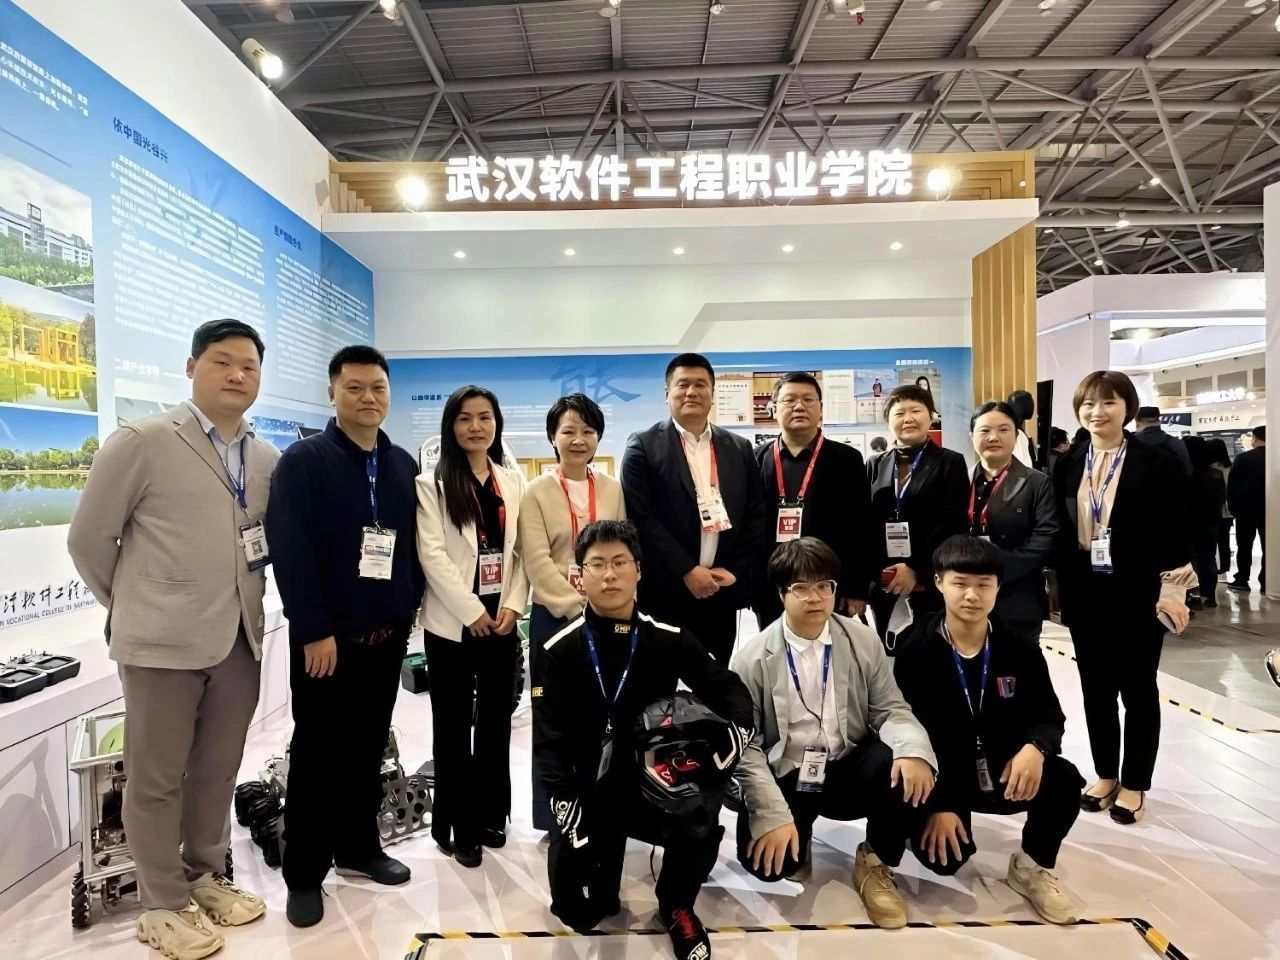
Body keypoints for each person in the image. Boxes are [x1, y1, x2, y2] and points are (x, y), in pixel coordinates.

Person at [67, 319, 277, 960]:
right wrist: (136, 605)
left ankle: (203, 874)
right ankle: (161, 904)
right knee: (155, 777)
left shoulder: (265, 458)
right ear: (191, 367)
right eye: (222, 361)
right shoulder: (144, 441)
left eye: (248, 366)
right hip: (159, 645)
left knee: (217, 769)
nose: (237, 374)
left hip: (238, 638)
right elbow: (89, 540)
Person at [533, 520, 757, 960]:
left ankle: (677, 905)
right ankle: (593, 867)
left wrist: (736, 736)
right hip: (588, 791)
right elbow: (548, 743)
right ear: (580, 576)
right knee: (582, 912)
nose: (609, 575)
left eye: (620, 562)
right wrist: (566, 810)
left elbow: (728, 688)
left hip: (652, 783)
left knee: (702, 805)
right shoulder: (557, 650)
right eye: (597, 564)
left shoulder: (667, 637)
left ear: (639, 570)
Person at [265, 346, 425, 927]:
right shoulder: (304, 461)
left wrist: (407, 610)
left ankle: (359, 848)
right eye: (354, 387)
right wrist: (313, 630)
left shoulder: (401, 463)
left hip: (386, 637)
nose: (367, 398)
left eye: (377, 387)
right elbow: (291, 550)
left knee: (368, 746)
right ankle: (304, 873)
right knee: (317, 753)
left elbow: (412, 545)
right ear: (332, 392)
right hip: (326, 642)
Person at [731, 538, 937, 930]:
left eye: (824, 586)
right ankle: (799, 829)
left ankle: (876, 860)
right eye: (801, 588)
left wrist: (913, 750)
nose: (815, 598)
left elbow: (891, 708)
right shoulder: (752, 658)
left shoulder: (861, 640)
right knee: (767, 867)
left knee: (901, 764)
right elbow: (747, 745)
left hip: (847, 763)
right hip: (790, 771)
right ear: (781, 593)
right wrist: (772, 813)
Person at [893, 535, 1084, 924]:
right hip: (942, 774)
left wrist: (1035, 748)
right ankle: (922, 824)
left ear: (998, 587)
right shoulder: (917, 649)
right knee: (944, 861)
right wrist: (941, 803)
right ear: (939, 582)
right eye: (960, 583)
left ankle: (1030, 867)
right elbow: (904, 725)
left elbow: (1050, 715)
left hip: (1001, 769)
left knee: (1064, 780)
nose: (972, 595)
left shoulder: (1018, 647)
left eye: (984, 584)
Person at [1052, 371, 1193, 825]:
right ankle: (1106, 774)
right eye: (1089, 404)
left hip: (1137, 591)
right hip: (1085, 591)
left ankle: (1135, 782)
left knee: (1138, 689)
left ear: (1127, 408)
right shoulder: (1070, 461)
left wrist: (1172, 590)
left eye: (1109, 403)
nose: (1098, 412)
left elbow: (1178, 528)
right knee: (1095, 690)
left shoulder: (1157, 461)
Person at [416, 385, 530, 867]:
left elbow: (522, 551)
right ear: (451, 425)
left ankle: (490, 814)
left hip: (501, 622)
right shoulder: (432, 484)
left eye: (485, 417)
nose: (476, 427)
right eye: (465, 418)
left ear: (497, 424)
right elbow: (432, 556)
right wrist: (472, 611)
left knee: (495, 722)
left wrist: (513, 606)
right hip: (453, 625)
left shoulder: (513, 481)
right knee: (452, 725)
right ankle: (456, 824)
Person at [519, 393, 625, 830]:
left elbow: (621, 552)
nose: (578, 439)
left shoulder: (612, 489)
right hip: (555, 619)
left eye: (588, 430)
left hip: (607, 618)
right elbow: (536, 559)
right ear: (553, 437)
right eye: (569, 431)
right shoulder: (536, 491)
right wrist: (577, 607)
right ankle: (554, 815)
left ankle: (601, 807)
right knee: (553, 720)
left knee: (602, 715)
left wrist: (604, 606)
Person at [621, 353, 768, 664]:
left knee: (714, 681)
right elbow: (640, 518)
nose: (692, 392)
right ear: (667, 394)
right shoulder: (643, 446)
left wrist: (734, 571)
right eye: (683, 384)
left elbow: (755, 516)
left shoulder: (739, 449)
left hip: (720, 592)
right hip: (665, 593)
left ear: (713, 393)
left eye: (700, 384)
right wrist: (686, 570)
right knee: (660, 683)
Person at [752, 372, 872, 628]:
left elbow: (861, 527)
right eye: (789, 400)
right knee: (776, 648)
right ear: (774, 409)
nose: (799, 406)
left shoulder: (847, 460)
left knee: (830, 650)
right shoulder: (755, 459)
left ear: (821, 409)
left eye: (808, 400)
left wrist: (857, 588)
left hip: (829, 585)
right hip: (772, 586)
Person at [865, 384, 968, 649]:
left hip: (931, 579)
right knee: (890, 652)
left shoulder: (950, 462)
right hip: (886, 581)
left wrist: (915, 568)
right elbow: (866, 522)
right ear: (888, 422)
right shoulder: (875, 464)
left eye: (916, 411)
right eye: (899, 413)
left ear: (931, 417)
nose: (908, 418)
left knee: (933, 652)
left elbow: (953, 523)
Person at [966, 402, 1059, 645]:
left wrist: (998, 570)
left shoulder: (1037, 482)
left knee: (1020, 664)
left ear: (1016, 435)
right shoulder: (960, 480)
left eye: (1003, 429)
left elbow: (1045, 537)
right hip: (967, 596)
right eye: (984, 430)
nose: (993, 437)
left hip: (1018, 596)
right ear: (972, 436)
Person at [1181, 435, 1226, 610]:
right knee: (1208, 558)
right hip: (1210, 522)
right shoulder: (1216, 474)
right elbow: (1221, 499)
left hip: (1186, 522)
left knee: (1188, 560)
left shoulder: (1182, 474)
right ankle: (1210, 595)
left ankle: (1193, 596)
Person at [1227, 426, 1266, 594]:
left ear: (1255, 439)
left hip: (1245, 510)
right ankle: (1267, 580)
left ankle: (1242, 579)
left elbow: (1232, 485)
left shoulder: (1243, 458)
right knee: (1269, 546)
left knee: (1244, 545)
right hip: (1270, 510)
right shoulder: (1275, 457)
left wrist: (1233, 508)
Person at [1133, 406, 1192, 475]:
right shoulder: (1176, 443)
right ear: (1159, 420)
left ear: (1137, 422)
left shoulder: (1130, 443)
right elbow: (1188, 471)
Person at [1205, 437, 1233, 576]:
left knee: (1211, 540)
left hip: (1212, 508)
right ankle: (1225, 565)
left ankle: (1213, 565)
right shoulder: (1231, 467)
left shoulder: (1208, 469)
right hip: (1228, 510)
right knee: (1224, 539)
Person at [1007, 390, 1039, 470]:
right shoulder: (1017, 434)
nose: (1032, 406)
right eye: (1029, 402)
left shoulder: (1017, 431)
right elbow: (1024, 467)